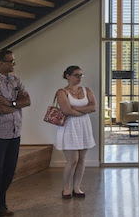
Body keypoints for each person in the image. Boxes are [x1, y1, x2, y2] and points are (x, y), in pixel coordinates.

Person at [55, 66, 96, 199]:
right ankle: (66, 188)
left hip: (84, 126)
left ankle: (77, 187)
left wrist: (74, 108)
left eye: (81, 75)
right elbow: (66, 111)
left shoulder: (87, 90)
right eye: (76, 75)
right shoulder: (62, 92)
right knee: (72, 160)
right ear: (68, 76)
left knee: (81, 160)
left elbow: (93, 107)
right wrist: (84, 109)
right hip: (69, 126)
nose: (79, 78)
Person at [0, 49, 30, 217]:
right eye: (10, 61)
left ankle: (1, 203)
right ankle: (0, 206)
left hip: (15, 130)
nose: (13, 64)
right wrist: (17, 103)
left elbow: (28, 100)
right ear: (0, 63)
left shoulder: (16, 79)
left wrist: (11, 102)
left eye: (13, 61)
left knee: (9, 171)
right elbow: (0, 109)